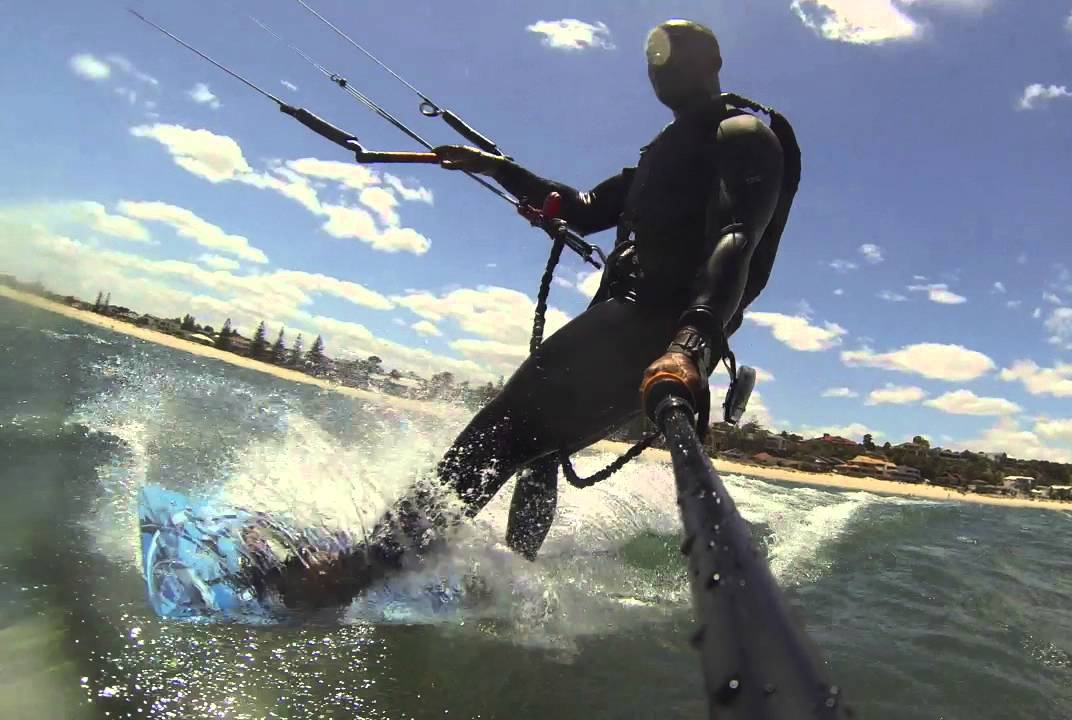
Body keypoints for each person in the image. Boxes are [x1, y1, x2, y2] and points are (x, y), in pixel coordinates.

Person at [265, 19, 797, 609]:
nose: (661, 67)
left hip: (657, 328)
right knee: (540, 452)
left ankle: (356, 573)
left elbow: (737, 237)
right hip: (632, 324)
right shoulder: (662, 153)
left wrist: (689, 344)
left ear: (714, 60)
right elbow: (579, 207)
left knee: (502, 430)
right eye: (653, 58)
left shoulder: (743, 134)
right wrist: (494, 167)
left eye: (674, 54)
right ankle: (513, 580)